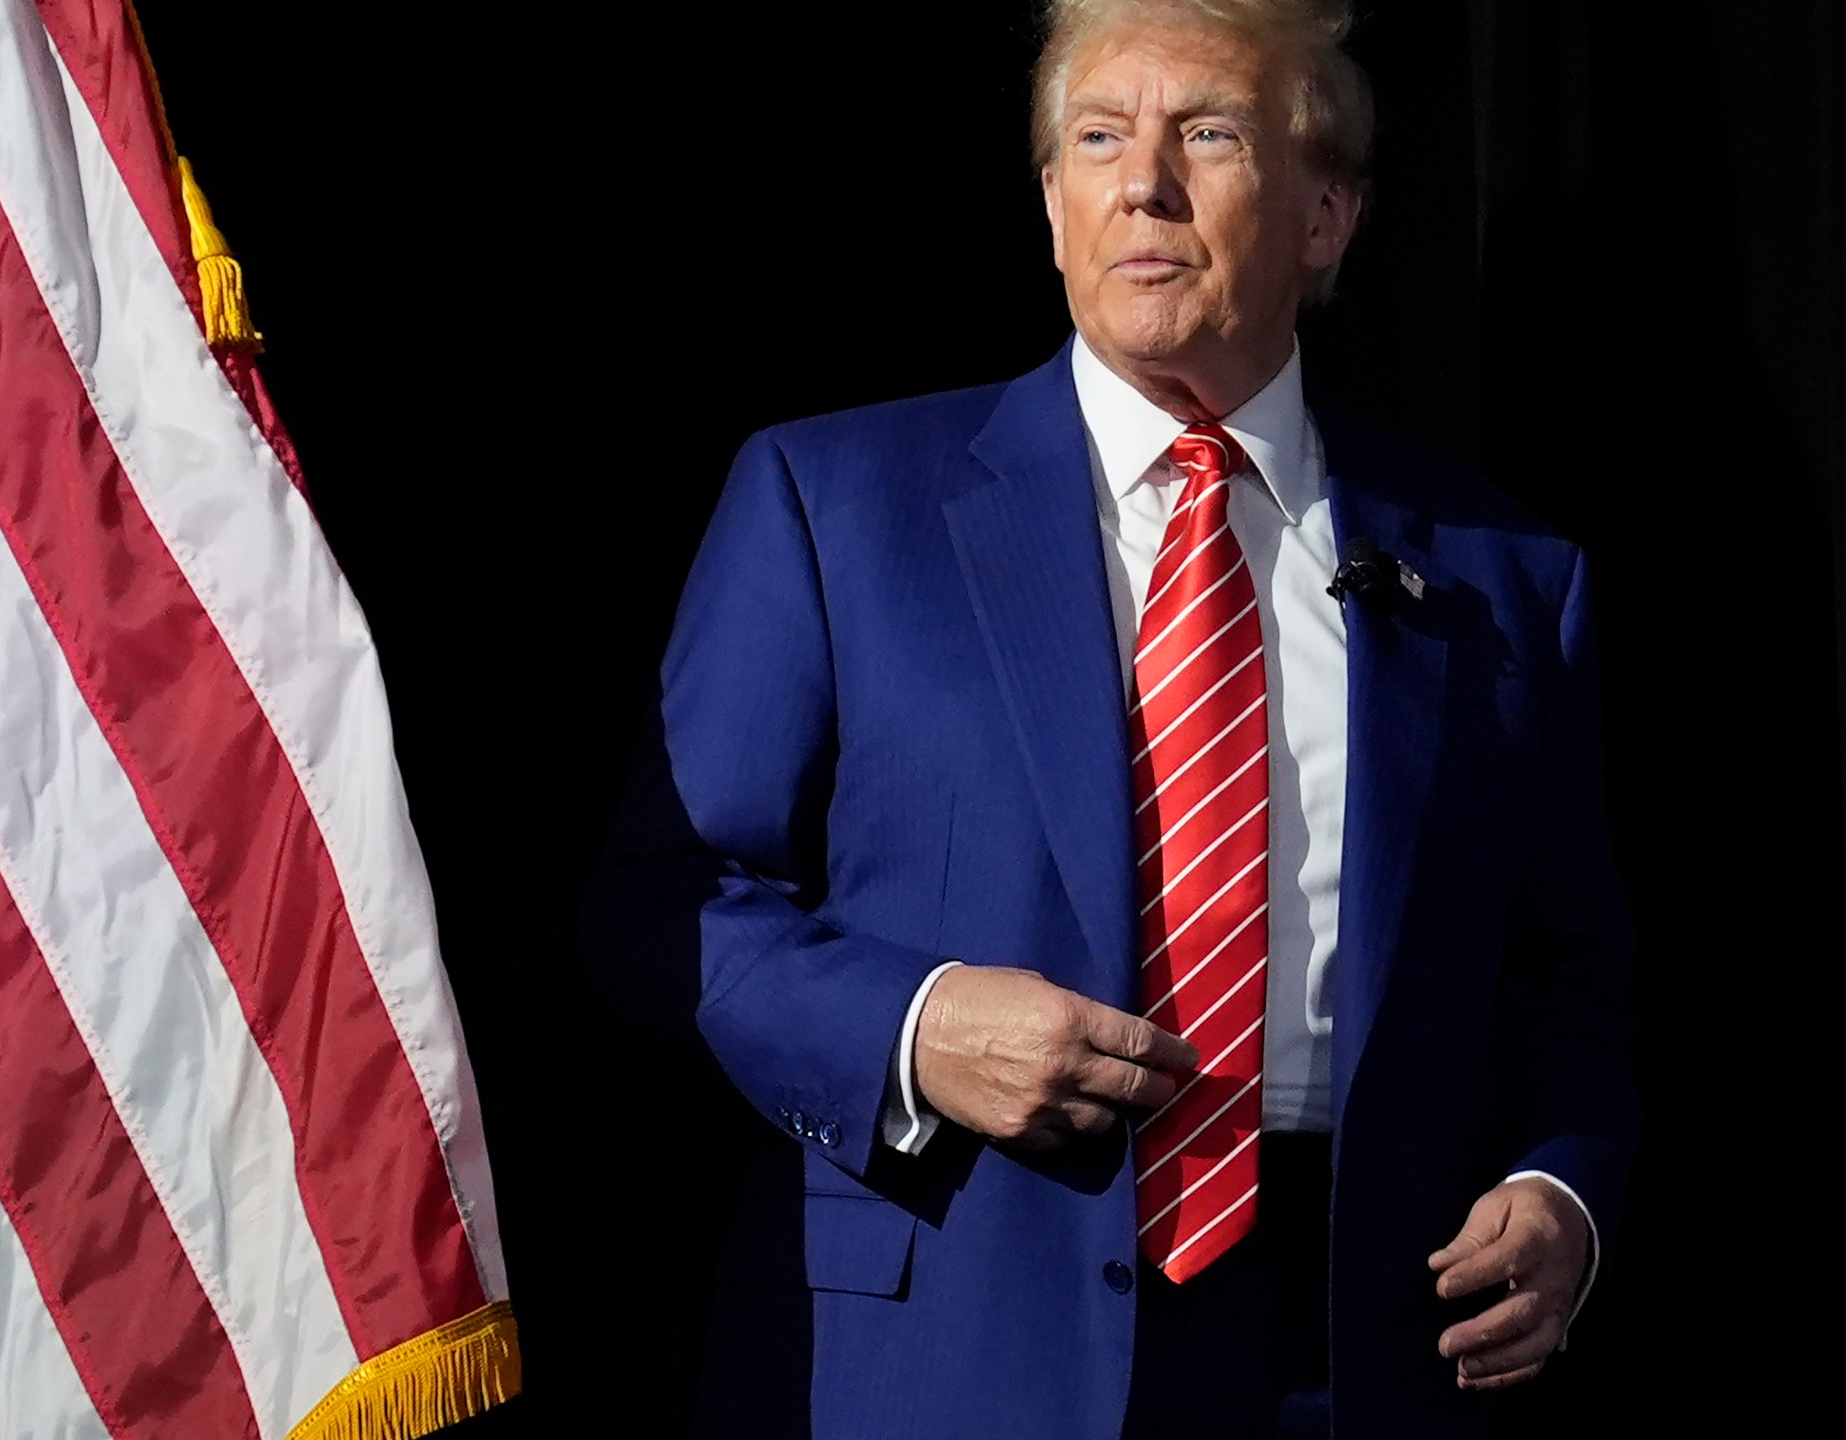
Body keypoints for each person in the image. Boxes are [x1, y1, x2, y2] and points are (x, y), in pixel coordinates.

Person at [598, 1, 1635, 1434]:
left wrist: (1561, 1185)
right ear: (1050, 204)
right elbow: (672, 897)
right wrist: (913, 1026)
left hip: (1360, 1349)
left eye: (1206, 132)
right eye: (1097, 138)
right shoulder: (833, 504)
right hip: (955, 1332)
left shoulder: (1507, 577)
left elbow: (1565, 970)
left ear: (1325, 217)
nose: (1141, 181)